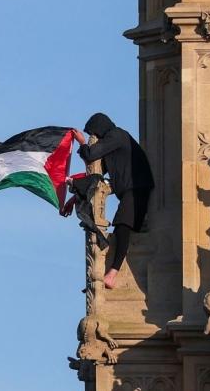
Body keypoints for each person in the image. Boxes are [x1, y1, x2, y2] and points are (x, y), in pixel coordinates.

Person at [62, 113, 154, 289]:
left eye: (93, 134)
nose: (93, 138)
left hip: (137, 188)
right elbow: (96, 176)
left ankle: (112, 273)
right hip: (132, 189)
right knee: (124, 226)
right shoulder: (114, 145)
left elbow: (91, 154)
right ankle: (110, 272)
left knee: (122, 226)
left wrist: (82, 142)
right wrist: (74, 192)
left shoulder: (116, 135)